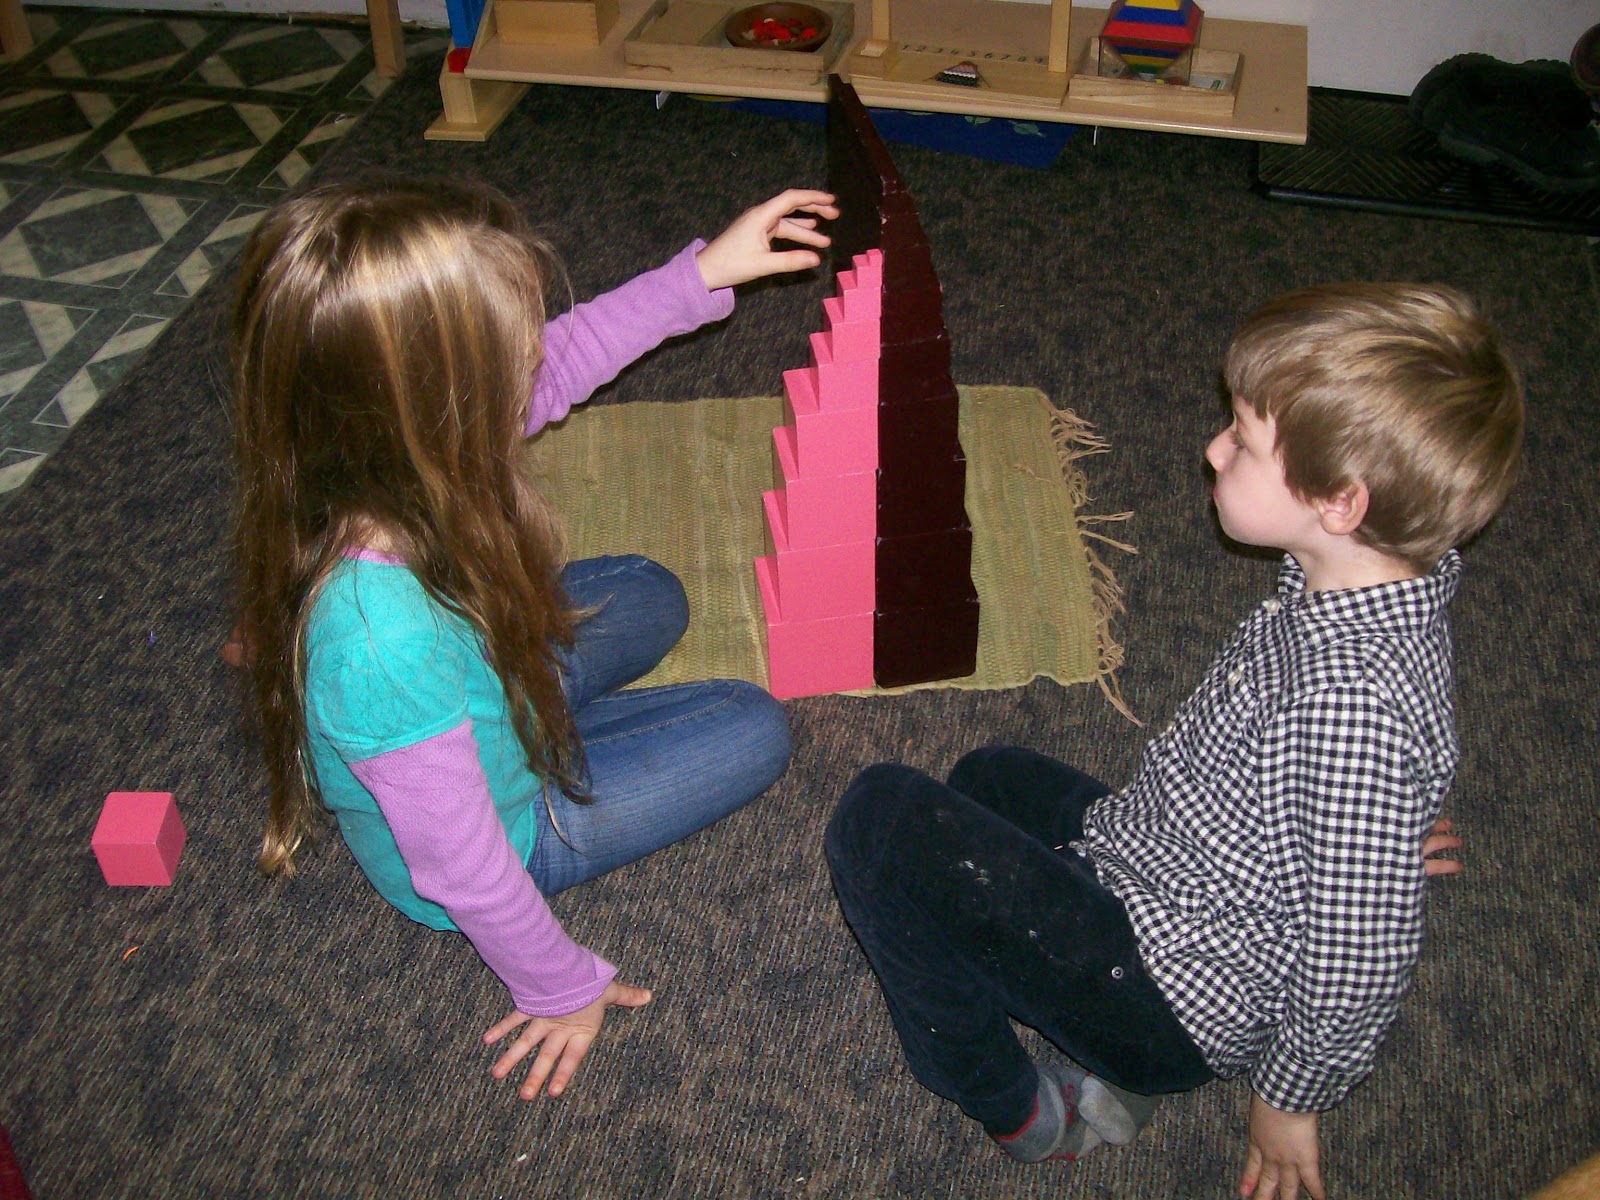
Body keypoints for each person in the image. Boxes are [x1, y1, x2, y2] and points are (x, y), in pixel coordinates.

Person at [824, 283, 1524, 1200]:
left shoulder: (1354, 706)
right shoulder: (1373, 586)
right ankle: (1083, 1020)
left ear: (1342, 504)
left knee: (878, 819)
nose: (1213, 448)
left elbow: (1360, 962)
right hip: (1175, 857)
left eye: (1242, 438)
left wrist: (1291, 1099)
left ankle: (1010, 1101)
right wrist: (1370, 845)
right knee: (985, 776)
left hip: (1167, 994)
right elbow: (1369, 770)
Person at [231, 174, 838, 1102]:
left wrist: (707, 270)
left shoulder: (373, 450)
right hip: (513, 830)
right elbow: (463, 871)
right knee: (755, 727)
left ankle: (538, 715)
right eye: (510, 354)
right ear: (438, 401)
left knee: (650, 589)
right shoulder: (375, 640)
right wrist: (557, 987)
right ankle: (550, 755)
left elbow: (571, 354)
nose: (536, 365)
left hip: (490, 670)